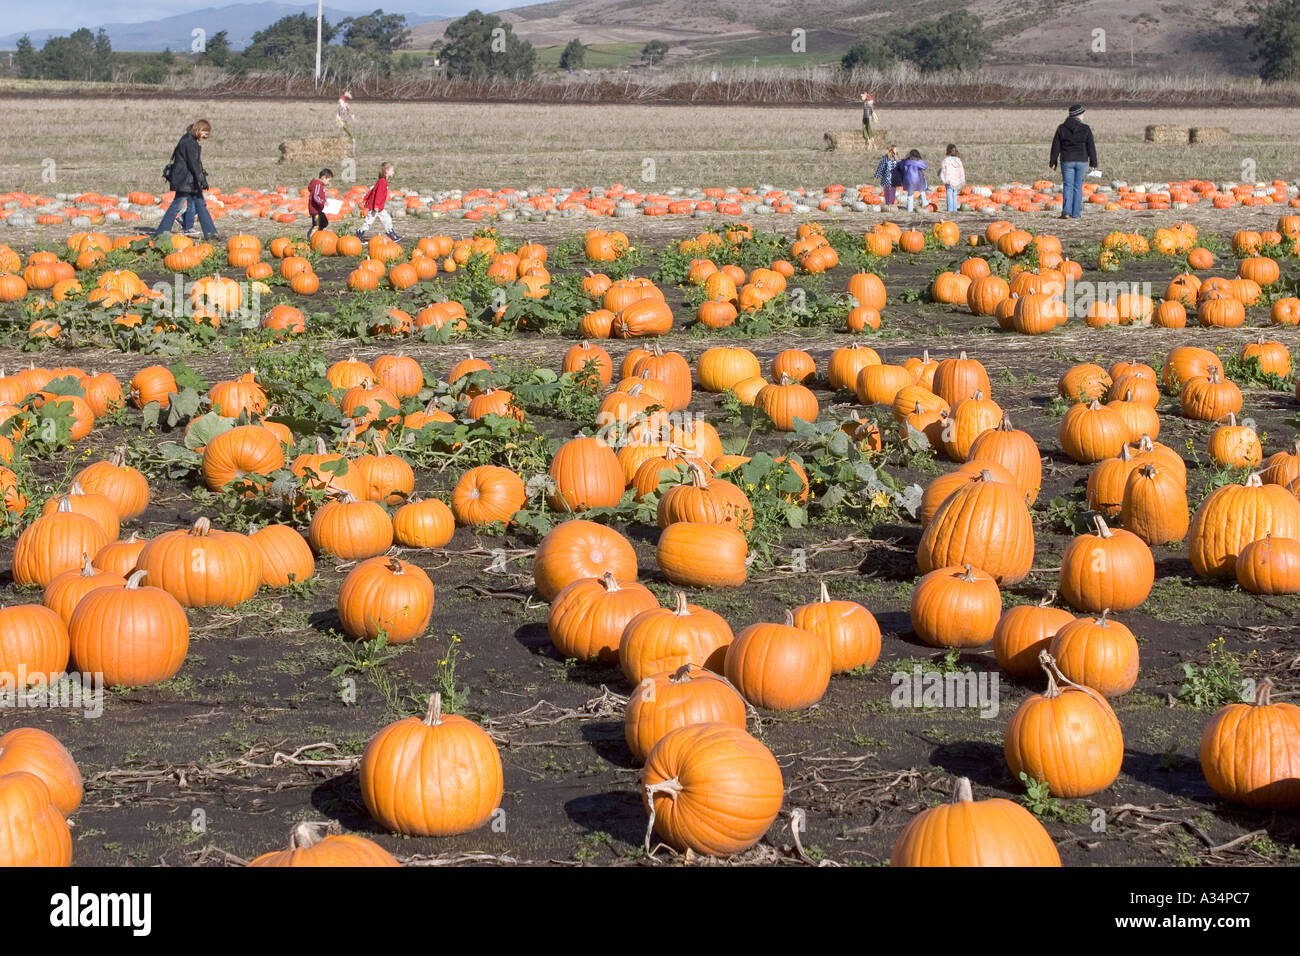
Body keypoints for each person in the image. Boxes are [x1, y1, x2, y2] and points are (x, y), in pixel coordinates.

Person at [153, 120, 219, 241]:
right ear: (199, 129)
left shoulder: (189, 140)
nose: (206, 137)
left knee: (200, 205)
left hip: (189, 180)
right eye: (205, 133)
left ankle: (211, 235)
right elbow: (193, 164)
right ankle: (160, 233)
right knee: (177, 206)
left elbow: (194, 163)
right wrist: (201, 178)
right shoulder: (189, 142)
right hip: (186, 181)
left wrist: (200, 178)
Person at [1049, 104, 1098, 220]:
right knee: (1077, 187)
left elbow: (1056, 145)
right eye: (1082, 113)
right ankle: (1076, 214)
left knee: (1068, 186)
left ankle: (1066, 212)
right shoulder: (1085, 128)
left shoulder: (1061, 128)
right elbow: (1091, 146)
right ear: (1078, 115)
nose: (1084, 115)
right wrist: (1093, 163)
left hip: (1067, 161)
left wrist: (1053, 161)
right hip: (1081, 161)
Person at [356, 162, 402, 242]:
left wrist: (366, 198)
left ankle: (390, 233)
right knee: (369, 221)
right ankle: (359, 233)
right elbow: (378, 194)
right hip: (374, 207)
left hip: (379, 207)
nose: (393, 172)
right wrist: (376, 205)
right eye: (392, 170)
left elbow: (372, 191)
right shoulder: (382, 182)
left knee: (387, 219)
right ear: (386, 171)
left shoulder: (382, 181)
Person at [307, 168, 333, 242]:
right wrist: (322, 202)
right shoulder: (317, 184)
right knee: (316, 225)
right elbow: (315, 196)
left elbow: (320, 196)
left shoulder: (320, 185)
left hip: (319, 209)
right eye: (329, 180)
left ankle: (319, 237)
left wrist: (324, 201)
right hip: (315, 210)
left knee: (324, 222)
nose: (329, 183)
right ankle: (310, 238)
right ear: (323, 178)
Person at [899, 149, 928, 213]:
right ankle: (924, 203)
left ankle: (909, 209)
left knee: (910, 195)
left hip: (908, 181)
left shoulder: (906, 162)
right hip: (918, 180)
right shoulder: (918, 162)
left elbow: (900, 166)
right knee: (922, 190)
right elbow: (925, 166)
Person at [940, 144, 965, 213]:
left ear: (947, 151)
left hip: (949, 180)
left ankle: (950, 210)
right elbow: (961, 170)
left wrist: (941, 175)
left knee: (949, 195)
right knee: (954, 195)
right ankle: (954, 210)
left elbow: (943, 169)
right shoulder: (958, 161)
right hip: (956, 181)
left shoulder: (946, 160)